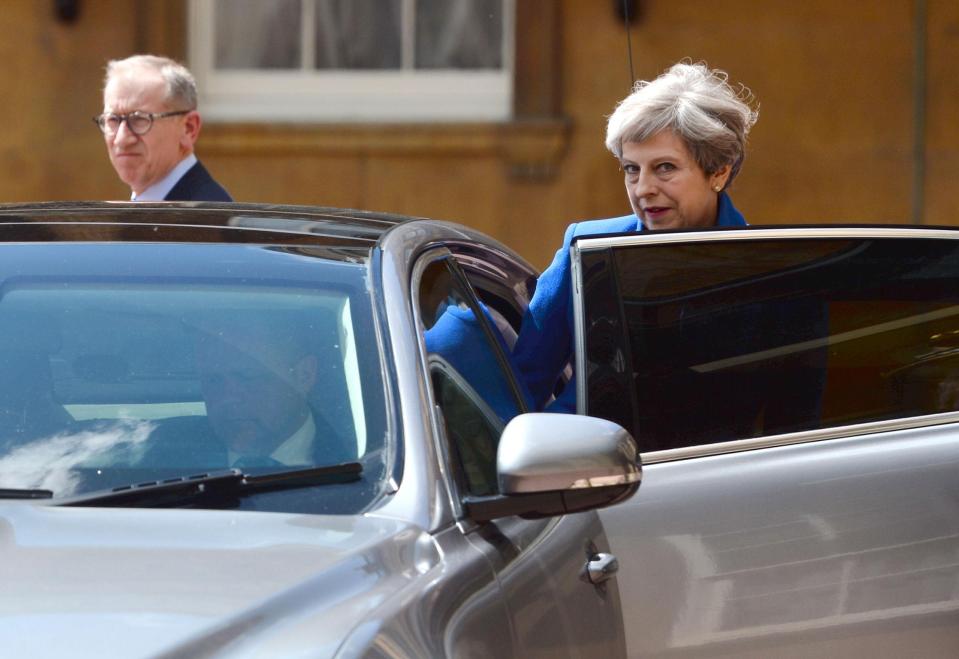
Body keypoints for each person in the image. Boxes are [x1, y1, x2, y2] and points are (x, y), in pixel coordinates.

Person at [513, 61, 759, 413]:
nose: (643, 189)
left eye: (664, 168)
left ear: (718, 171)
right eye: (632, 169)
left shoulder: (769, 262)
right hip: (585, 463)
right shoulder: (587, 250)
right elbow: (522, 388)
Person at [95, 54, 232, 202]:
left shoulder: (207, 218)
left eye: (139, 119)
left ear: (188, 129)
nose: (121, 139)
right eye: (113, 120)